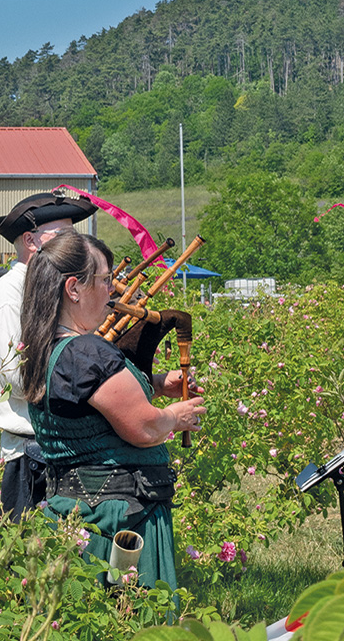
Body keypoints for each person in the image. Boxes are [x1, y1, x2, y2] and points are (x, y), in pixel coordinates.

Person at [19, 232, 205, 589]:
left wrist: (155, 382)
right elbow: (144, 427)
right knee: (133, 620)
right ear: (74, 288)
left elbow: (86, 403)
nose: (112, 291)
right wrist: (175, 416)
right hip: (117, 518)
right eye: (105, 280)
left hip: (76, 512)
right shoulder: (87, 351)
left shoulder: (47, 347)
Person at [0, 192, 97, 522]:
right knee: (33, 559)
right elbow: (20, 381)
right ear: (31, 241)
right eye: (63, 238)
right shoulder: (6, 299)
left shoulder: (50, 289)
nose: (76, 247)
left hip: (60, 445)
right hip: (30, 455)